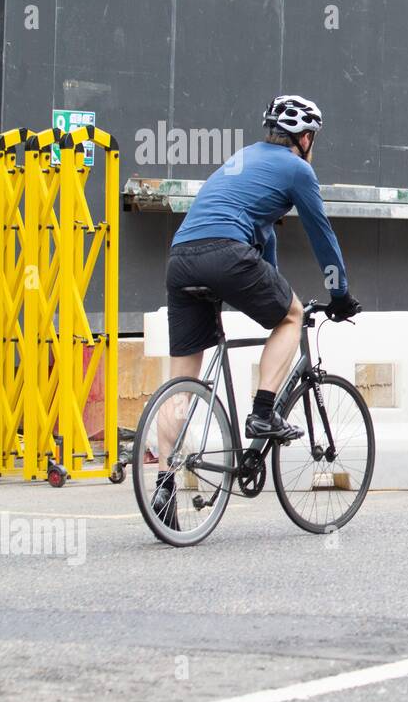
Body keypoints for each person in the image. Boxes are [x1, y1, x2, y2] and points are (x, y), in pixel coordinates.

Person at [154, 96, 361, 527]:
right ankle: (263, 412)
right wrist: (339, 293)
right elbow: (322, 236)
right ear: (305, 138)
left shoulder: (241, 159)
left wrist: (275, 288)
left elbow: (266, 244)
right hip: (226, 253)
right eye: (314, 139)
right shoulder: (298, 170)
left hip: (180, 259)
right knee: (291, 318)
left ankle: (161, 489)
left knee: (182, 381)